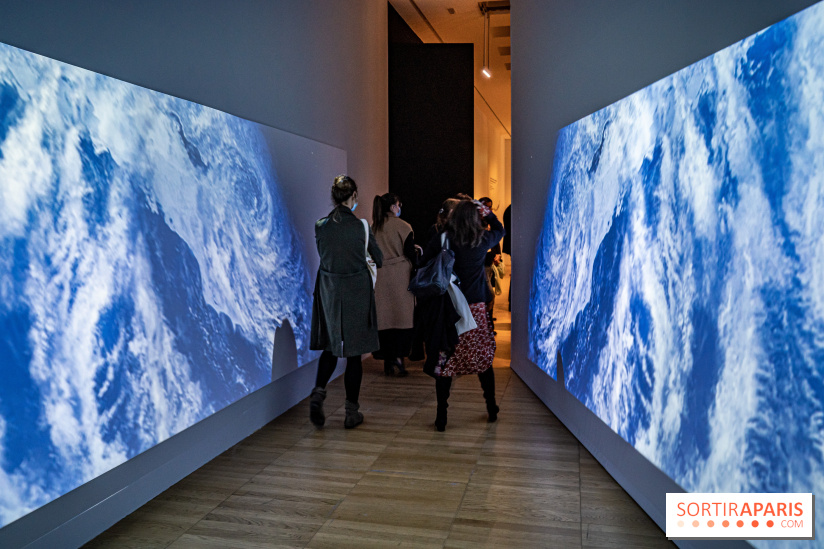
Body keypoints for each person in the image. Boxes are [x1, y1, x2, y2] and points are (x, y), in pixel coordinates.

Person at [420, 198, 506, 431]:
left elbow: (425, 261)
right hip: (475, 308)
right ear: (475, 218)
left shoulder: (445, 238)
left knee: (446, 361)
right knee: (483, 359)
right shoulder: (482, 240)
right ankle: (491, 407)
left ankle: (441, 416)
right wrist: (488, 213)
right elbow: (501, 230)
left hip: (450, 307)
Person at [309, 174, 383, 429]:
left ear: (333, 197)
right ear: (354, 196)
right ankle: (351, 412)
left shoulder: (320, 226)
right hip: (357, 294)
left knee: (331, 348)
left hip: (329, 293)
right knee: (354, 354)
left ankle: (318, 393)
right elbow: (379, 259)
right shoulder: (361, 226)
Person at [371, 193, 418, 376]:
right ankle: (399, 358)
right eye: (399, 204)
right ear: (393, 207)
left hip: (380, 276)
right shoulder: (404, 226)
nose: (399, 207)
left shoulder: (374, 227)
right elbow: (410, 253)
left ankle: (388, 361)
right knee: (402, 319)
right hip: (401, 276)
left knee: (385, 320)